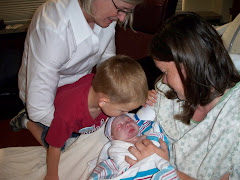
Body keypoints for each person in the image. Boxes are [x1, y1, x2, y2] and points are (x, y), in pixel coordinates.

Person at [125, 12, 240, 180]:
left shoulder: (233, 120)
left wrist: (161, 167)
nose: (163, 80)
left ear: (190, 66)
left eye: (165, 72)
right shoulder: (166, 92)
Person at [10, 0, 144, 142]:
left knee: (108, 128)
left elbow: (107, 63)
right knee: (69, 144)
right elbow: (39, 110)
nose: (121, 18)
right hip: (46, 97)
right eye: (120, 9)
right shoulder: (54, 30)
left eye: (127, 11)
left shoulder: (104, 15)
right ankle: (26, 120)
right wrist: (80, 128)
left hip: (82, 86)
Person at [10, 55, 149, 179]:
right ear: (103, 102)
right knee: (61, 147)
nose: (125, 115)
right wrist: (52, 174)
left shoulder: (102, 88)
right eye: (122, 111)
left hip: (77, 112)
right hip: (58, 120)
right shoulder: (69, 115)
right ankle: (26, 120)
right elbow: (54, 146)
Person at [89, 112, 179, 179]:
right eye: (119, 126)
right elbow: (122, 163)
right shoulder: (116, 148)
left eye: (129, 120)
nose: (127, 124)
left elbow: (159, 139)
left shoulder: (148, 135)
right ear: (113, 137)